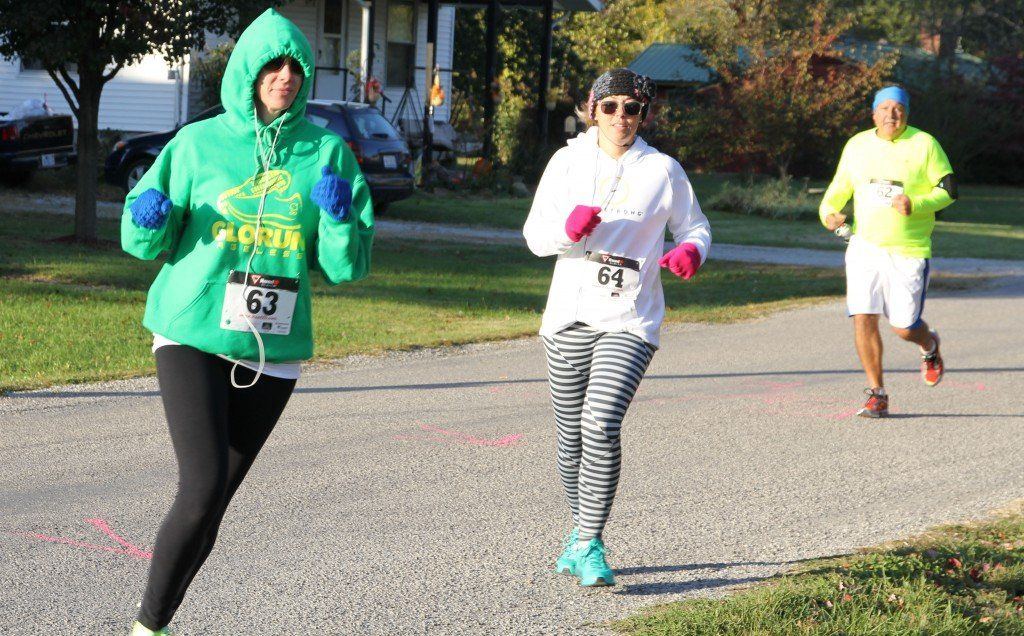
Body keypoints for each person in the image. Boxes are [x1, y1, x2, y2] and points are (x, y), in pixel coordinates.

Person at [120, 9, 374, 635]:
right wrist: (149, 216)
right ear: (248, 72)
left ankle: (158, 625)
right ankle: (144, 628)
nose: (285, 76)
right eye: (272, 64)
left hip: (272, 347)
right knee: (202, 484)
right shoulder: (197, 143)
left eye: (296, 67)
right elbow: (142, 240)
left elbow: (346, 268)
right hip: (192, 329)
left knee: (214, 503)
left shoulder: (326, 152)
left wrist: (340, 219)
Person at [523, 68, 712, 587]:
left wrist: (692, 249)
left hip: (631, 318)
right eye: (611, 107)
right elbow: (535, 237)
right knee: (569, 439)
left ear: (644, 115)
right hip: (567, 316)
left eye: (632, 109)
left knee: (600, 423)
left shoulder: (663, 170)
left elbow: (694, 225)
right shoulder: (566, 163)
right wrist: (567, 231)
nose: (621, 118)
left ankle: (589, 541)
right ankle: (579, 530)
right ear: (591, 109)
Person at [819, 85, 957, 418]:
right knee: (863, 317)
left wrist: (917, 203)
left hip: (909, 249)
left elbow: (949, 190)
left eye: (898, 109)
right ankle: (876, 394)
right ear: (873, 113)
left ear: (906, 114)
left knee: (904, 327)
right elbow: (834, 194)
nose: (891, 115)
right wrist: (829, 215)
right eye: (884, 109)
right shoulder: (857, 145)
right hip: (865, 248)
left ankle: (929, 345)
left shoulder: (925, 144)